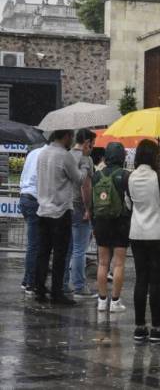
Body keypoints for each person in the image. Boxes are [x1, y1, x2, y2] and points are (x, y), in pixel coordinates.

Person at [126, 140, 160, 344]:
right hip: (158, 234)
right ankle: (156, 328)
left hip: (137, 232)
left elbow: (127, 203)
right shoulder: (159, 178)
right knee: (156, 281)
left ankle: (140, 327)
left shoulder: (130, 177)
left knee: (141, 279)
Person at [34, 129, 91, 305]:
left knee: (43, 252)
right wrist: (85, 161)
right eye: (70, 137)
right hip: (60, 211)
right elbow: (80, 179)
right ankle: (57, 293)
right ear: (65, 136)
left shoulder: (42, 153)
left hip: (43, 209)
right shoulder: (64, 156)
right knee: (60, 254)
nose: (71, 139)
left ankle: (40, 288)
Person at [93, 142, 130, 313]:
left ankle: (101, 301)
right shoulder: (125, 175)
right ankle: (115, 301)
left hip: (101, 221)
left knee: (102, 262)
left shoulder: (97, 175)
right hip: (120, 221)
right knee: (119, 264)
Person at [63, 128, 97, 299]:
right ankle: (79, 286)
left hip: (66, 206)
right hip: (79, 207)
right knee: (79, 249)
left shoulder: (67, 155)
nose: (92, 149)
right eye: (92, 145)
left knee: (67, 248)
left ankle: (64, 283)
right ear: (87, 143)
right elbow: (86, 186)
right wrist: (88, 209)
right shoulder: (86, 159)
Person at [18, 143, 46, 295]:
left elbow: (24, 175)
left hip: (24, 197)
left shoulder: (33, 153)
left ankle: (27, 279)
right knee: (35, 244)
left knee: (34, 243)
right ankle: (30, 282)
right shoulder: (45, 155)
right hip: (35, 199)